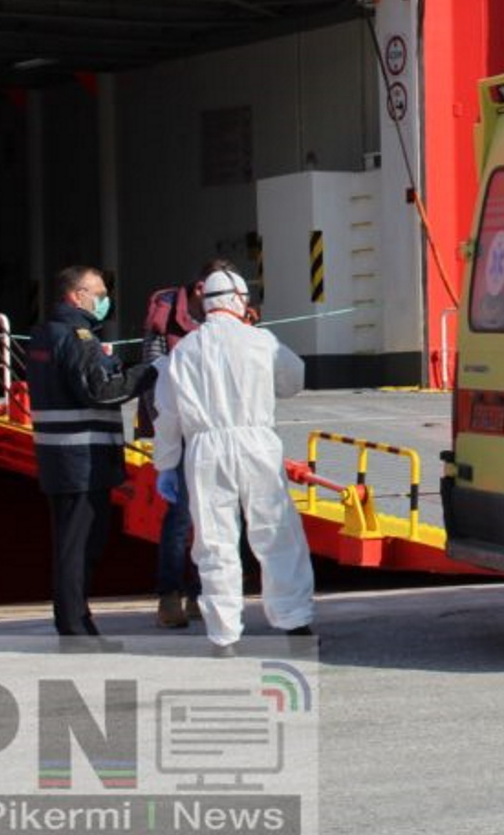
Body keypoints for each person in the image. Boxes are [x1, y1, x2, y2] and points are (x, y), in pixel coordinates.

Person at [151, 268, 312, 657]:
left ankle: (224, 635)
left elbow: (166, 415)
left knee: (214, 541)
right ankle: (295, 623)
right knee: (275, 533)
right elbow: (294, 381)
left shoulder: (183, 352)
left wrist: (166, 463)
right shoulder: (261, 342)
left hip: (205, 450)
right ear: (240, 300)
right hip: (256, 442)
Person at [28, 265, 153, 650]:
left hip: (62, 458)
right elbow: (99, 390)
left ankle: (76, 622)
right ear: (77, 295)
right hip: (81, 459)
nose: (104, 300)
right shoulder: (76, 336)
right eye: (98, 293)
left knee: (72, 545)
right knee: (79, 547)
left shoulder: (46, 333)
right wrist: (148, 373)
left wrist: (114, 365)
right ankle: (75, 629)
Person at [137, 260, 234, 629]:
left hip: (218, 434)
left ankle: (202, 592)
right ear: (199, 291)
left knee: (216, 518)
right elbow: (153, 380)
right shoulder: (164, 320)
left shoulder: (225, 320)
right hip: (180, 431)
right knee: (179, 519)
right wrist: (165, 439)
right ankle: (169, 595)